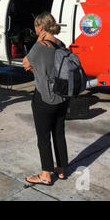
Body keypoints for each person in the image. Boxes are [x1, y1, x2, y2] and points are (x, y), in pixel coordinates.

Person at [23, 12, 69, 186]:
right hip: (63, 97)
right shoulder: (61, 45)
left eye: (35, 27)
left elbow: (26, 63)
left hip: (44, 98)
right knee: (59, 133)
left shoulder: (39, 46)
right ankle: (62, 169)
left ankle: (45, 174)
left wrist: (35, 44)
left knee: (43, 136)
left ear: (40, 27)